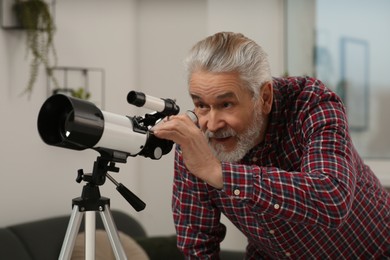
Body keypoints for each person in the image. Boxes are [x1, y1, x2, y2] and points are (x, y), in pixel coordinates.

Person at [152, 32, 389, 259]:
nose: (212, 125)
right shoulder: (196, 139)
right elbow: (197, 243)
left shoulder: (312, 103)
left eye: (226, 104)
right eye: (201, 105)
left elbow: (332, 197)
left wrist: (218, 172)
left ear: (264, 97)